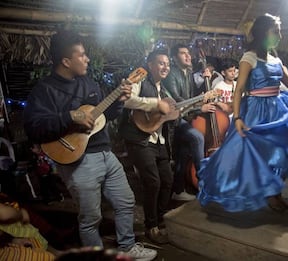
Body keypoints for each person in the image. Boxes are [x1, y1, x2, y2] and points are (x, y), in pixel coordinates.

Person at [23, 30, 157, 260]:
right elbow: (34, 128)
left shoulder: (88, 82)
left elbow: (106, 114)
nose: (87, 59)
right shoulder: (44, 91)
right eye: (82, 55)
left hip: (106, 153)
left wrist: (120, 100)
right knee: (90, 218)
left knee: (126, 200)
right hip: (77, 159)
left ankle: (127, 247)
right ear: (66, 61)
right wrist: (70, 117)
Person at [197, 14, 288, 212]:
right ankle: (258, 192)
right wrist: (237, 117)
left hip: (277, 109)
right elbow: (239, 90)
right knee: (252, 156)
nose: (280, 34)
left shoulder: (276, 60)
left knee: (283, 152)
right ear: (264, 32)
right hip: (256, 111)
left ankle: (274, 193)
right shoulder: (249, 58)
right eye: (276, 31)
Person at [119, 49, 174, 244]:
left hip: (159, 141)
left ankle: (161, 221)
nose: (165, 66)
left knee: (167, 180)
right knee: (153, 182)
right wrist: (155, 103)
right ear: (150, 64)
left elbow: (169, 114)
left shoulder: (165, 90)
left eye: (167, 63)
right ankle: (151, 227)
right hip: (139, 139)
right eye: (160, 63)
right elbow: (127, 101)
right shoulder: (140, 79)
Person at [162, 44, 217, 201]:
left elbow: (192, 96)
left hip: (185, 117)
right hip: (175, 119)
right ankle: (203, 183)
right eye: (183, 53)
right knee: (197, 137)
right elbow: (178, 101)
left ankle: (178, 190)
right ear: (174, 58)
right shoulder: (172, 73)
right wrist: (201, 108)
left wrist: (207, 80)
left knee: (184, 153)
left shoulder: (188, 73)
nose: (188, 56)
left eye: (188, 53)